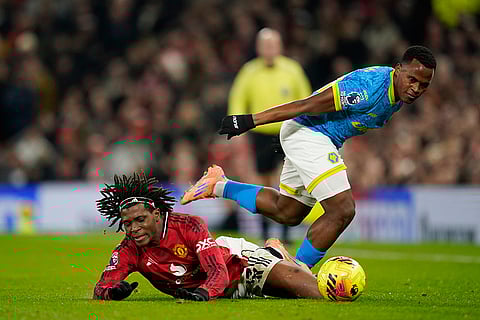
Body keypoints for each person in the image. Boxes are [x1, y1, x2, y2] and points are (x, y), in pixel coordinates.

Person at [181, 45, 436, 269]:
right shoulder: (367, 87)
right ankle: (297, 270)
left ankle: (218, 185)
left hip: (320, 139)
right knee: (343, 210)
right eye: (412, 79)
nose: (416, 88)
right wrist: (250, 120)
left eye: (423, 85)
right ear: (398, 68)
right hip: (308, 133)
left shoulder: (397, 96)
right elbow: (305, 105)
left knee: (289, 212)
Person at [93, 172, 321, 301]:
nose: (134, 229)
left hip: (240, 265)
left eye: (140, 220)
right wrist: (112, 292)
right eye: (127, 224)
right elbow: (101, 288)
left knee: (315, 293)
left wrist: (203, 293)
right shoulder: (128, 250)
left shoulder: (188, 226)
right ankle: (275, 252)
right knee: (286, 297)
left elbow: (218, 271)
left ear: (156, 214)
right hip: (223, 294)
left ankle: (273, 254)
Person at [228, 28, 312, 243]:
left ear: (280, 46)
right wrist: (237, 128)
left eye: (273, 44)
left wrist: (306, 126)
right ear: (258, 48)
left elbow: (306, 100)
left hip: (288, 131)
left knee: (285, 181)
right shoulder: (249, 71)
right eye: (265, 45)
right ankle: (266, 232)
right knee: (264, 182)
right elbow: (238, 99)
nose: (269, 49)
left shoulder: (291, 70)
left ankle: (284, 233)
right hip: (261, 134)